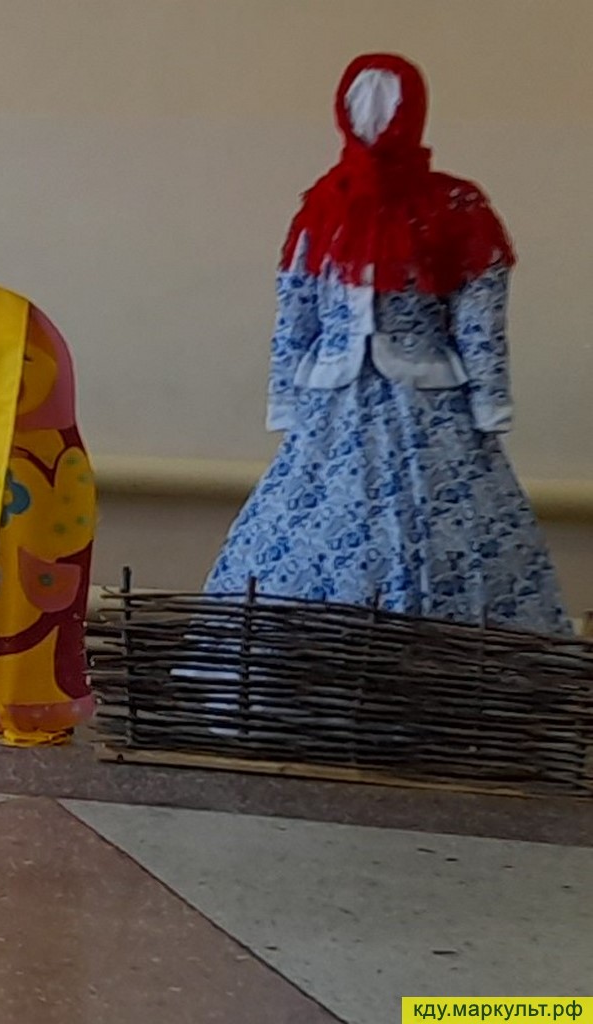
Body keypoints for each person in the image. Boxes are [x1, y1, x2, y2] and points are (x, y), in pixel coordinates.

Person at [207, 53, 569, 635]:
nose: (374, 122)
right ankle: (307, 658)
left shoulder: (452, 206)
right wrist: (285, 396)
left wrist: (489, 399)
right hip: (331, 408)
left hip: (429, 404)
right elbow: (296, 308)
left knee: (451, 528)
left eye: (387, 110)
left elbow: (479, 311)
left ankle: (443, 662)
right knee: (303, 531)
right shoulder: (324, 206)